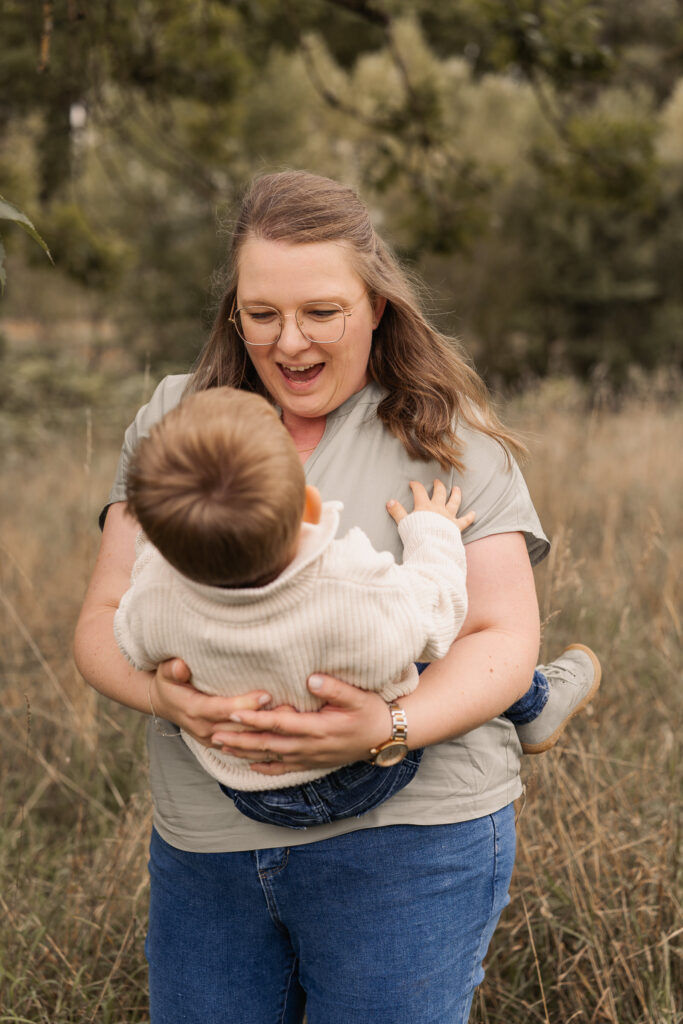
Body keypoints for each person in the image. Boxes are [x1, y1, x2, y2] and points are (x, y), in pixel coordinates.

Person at [74, 169, 601, 1024]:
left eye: (322, 312)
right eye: (261, 314)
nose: (289, 343)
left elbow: (502, 633)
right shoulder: (181, 425)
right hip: (209, 844)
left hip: (408, 843)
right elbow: (104, 621)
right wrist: (163, 695)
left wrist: (383, 727)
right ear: (232, 312)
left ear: (376, 305)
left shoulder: (441, 431)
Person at [114, 384, 475, 829]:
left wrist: (155, 551)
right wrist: (432, 531)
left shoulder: (156, 596)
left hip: (245, 784)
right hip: (360, 771)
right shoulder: (351, 579)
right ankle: (532, 697)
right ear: (310, 503)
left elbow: (131, 644)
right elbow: (437, 620)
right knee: (437, 664)